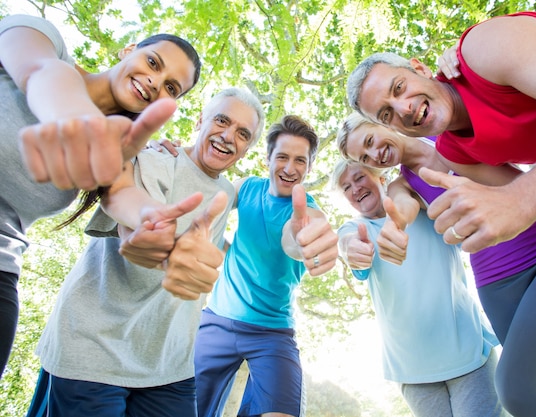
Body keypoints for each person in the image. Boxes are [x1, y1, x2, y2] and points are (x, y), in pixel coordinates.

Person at [336, 112, 536, 417]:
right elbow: (401, 206)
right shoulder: (402, 185)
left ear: (382, 124)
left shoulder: (447, 129)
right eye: (365, 156)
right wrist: (397, 225)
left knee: (522, 390)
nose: (374, 154)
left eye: (370, 141)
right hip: (496, 288)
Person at [29, 87, 265, 417]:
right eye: (221, 121)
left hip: (169, 365)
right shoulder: (155, 158)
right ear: (200, 121)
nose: (228, 136)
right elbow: (133, 219)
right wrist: (158, 241)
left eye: (243, 134)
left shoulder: (226, 192)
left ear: (247, 149)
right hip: (95, 348)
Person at [0, 13, 201, 379]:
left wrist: (158, 223)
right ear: (128, 50)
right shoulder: (42, 40)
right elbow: (40, 70)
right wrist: (77, 121)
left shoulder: (121, 151)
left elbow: (124, 196)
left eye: (172, 89)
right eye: (152, 63)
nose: (155, 82)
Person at [346, 3, 536, 254]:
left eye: (399, 87)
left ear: (420, 69)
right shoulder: (455, 154)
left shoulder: (482, 49)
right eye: (386, 114)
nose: (403, 109)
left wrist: (520, 198)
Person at [333, 159, 505, 417]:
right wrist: (350, 249)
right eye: (346, 187)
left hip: (467, 351)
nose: (354, 189)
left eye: (359, 178)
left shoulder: (426, 209)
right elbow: (346, 243)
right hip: (412, 369)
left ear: (382, 178)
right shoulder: (357, 229)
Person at [194, 115, 339, 417]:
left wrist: (301, 239)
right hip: (218, 320)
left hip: (272, 333)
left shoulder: (308, 211)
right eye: (282, 157)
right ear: (267, 160)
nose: (289, 168)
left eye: (300, 161)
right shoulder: (246, 188)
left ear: (309, 168)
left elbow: (293, 239)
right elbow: (207, 203)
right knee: (183, 405)